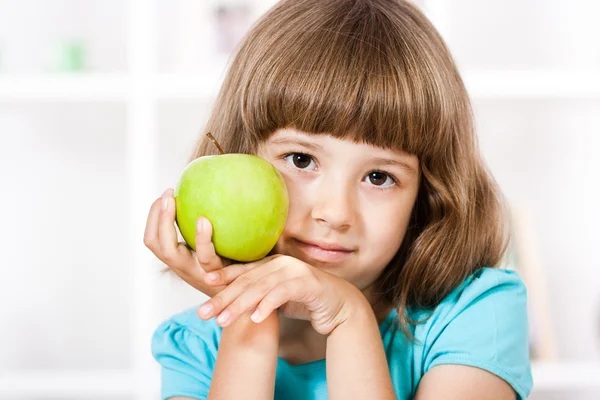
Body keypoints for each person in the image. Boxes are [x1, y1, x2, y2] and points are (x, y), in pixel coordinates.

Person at [144, 0, 533, 398]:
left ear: (427, 193)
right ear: (242, 155)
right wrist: (248, 310)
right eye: (301, 159)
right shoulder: (193, 347)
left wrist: (348, 316)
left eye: (378, 177)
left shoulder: (477, 314)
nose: (335, 213)